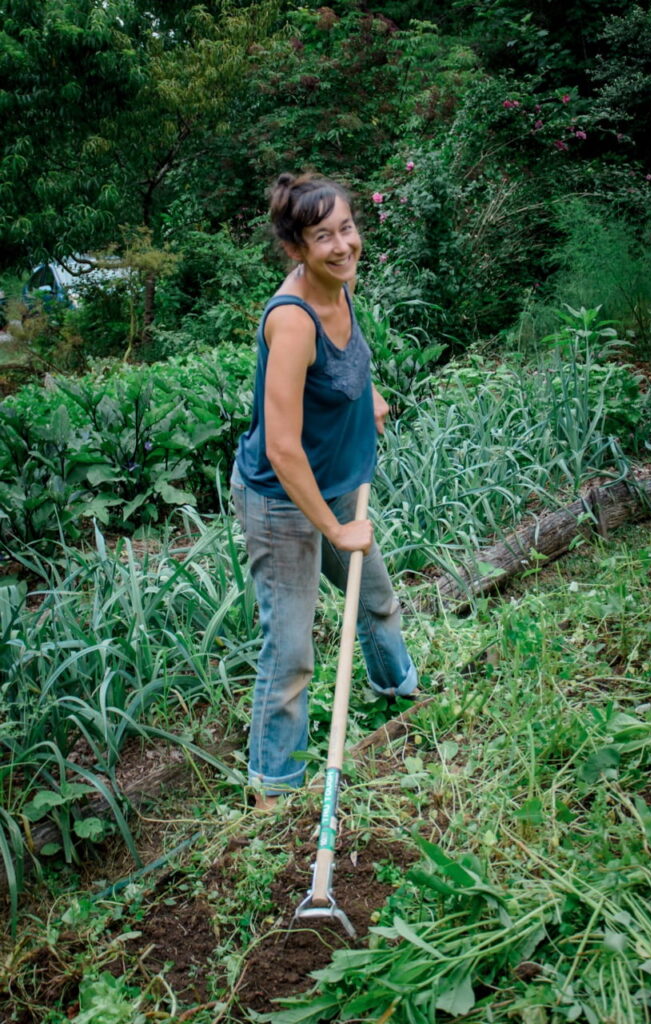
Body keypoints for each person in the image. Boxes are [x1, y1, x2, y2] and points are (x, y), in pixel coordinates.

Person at [231, 172, 418, 809]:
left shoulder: (342, 283)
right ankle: (275, 794)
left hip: (339, 484)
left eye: (346, 228)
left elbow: (347, 362)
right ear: (296, 249)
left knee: (377, 601)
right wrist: (336, 530)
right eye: (323, 237)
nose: (342, 245)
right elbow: (282, 447)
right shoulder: (293, 320)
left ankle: (402, 702)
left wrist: (369, 395)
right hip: (281, 502)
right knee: (291, 651)